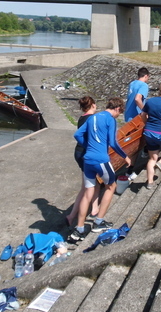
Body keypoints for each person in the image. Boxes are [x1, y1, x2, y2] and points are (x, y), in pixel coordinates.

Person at [69, 97, 131, 243]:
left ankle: (79, 229)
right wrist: (125, 156)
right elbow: (113, 143)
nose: (118, 115)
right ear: (117, 108)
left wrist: (89, 145)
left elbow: (77, 135)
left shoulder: (92, 117)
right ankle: (98, 222)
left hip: (87, 160)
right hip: (101, 160)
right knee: (111, 186)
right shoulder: (110, 119)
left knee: (87, 193)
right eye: (119, 113)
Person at [66, 96, 99, 227]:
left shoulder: (82, 118)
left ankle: (94, 208)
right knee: (88, 186)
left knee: (91, 183)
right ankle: (73, 215)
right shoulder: (92, 119)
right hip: (86, 153)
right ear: (93, 105)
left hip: (78, 152)